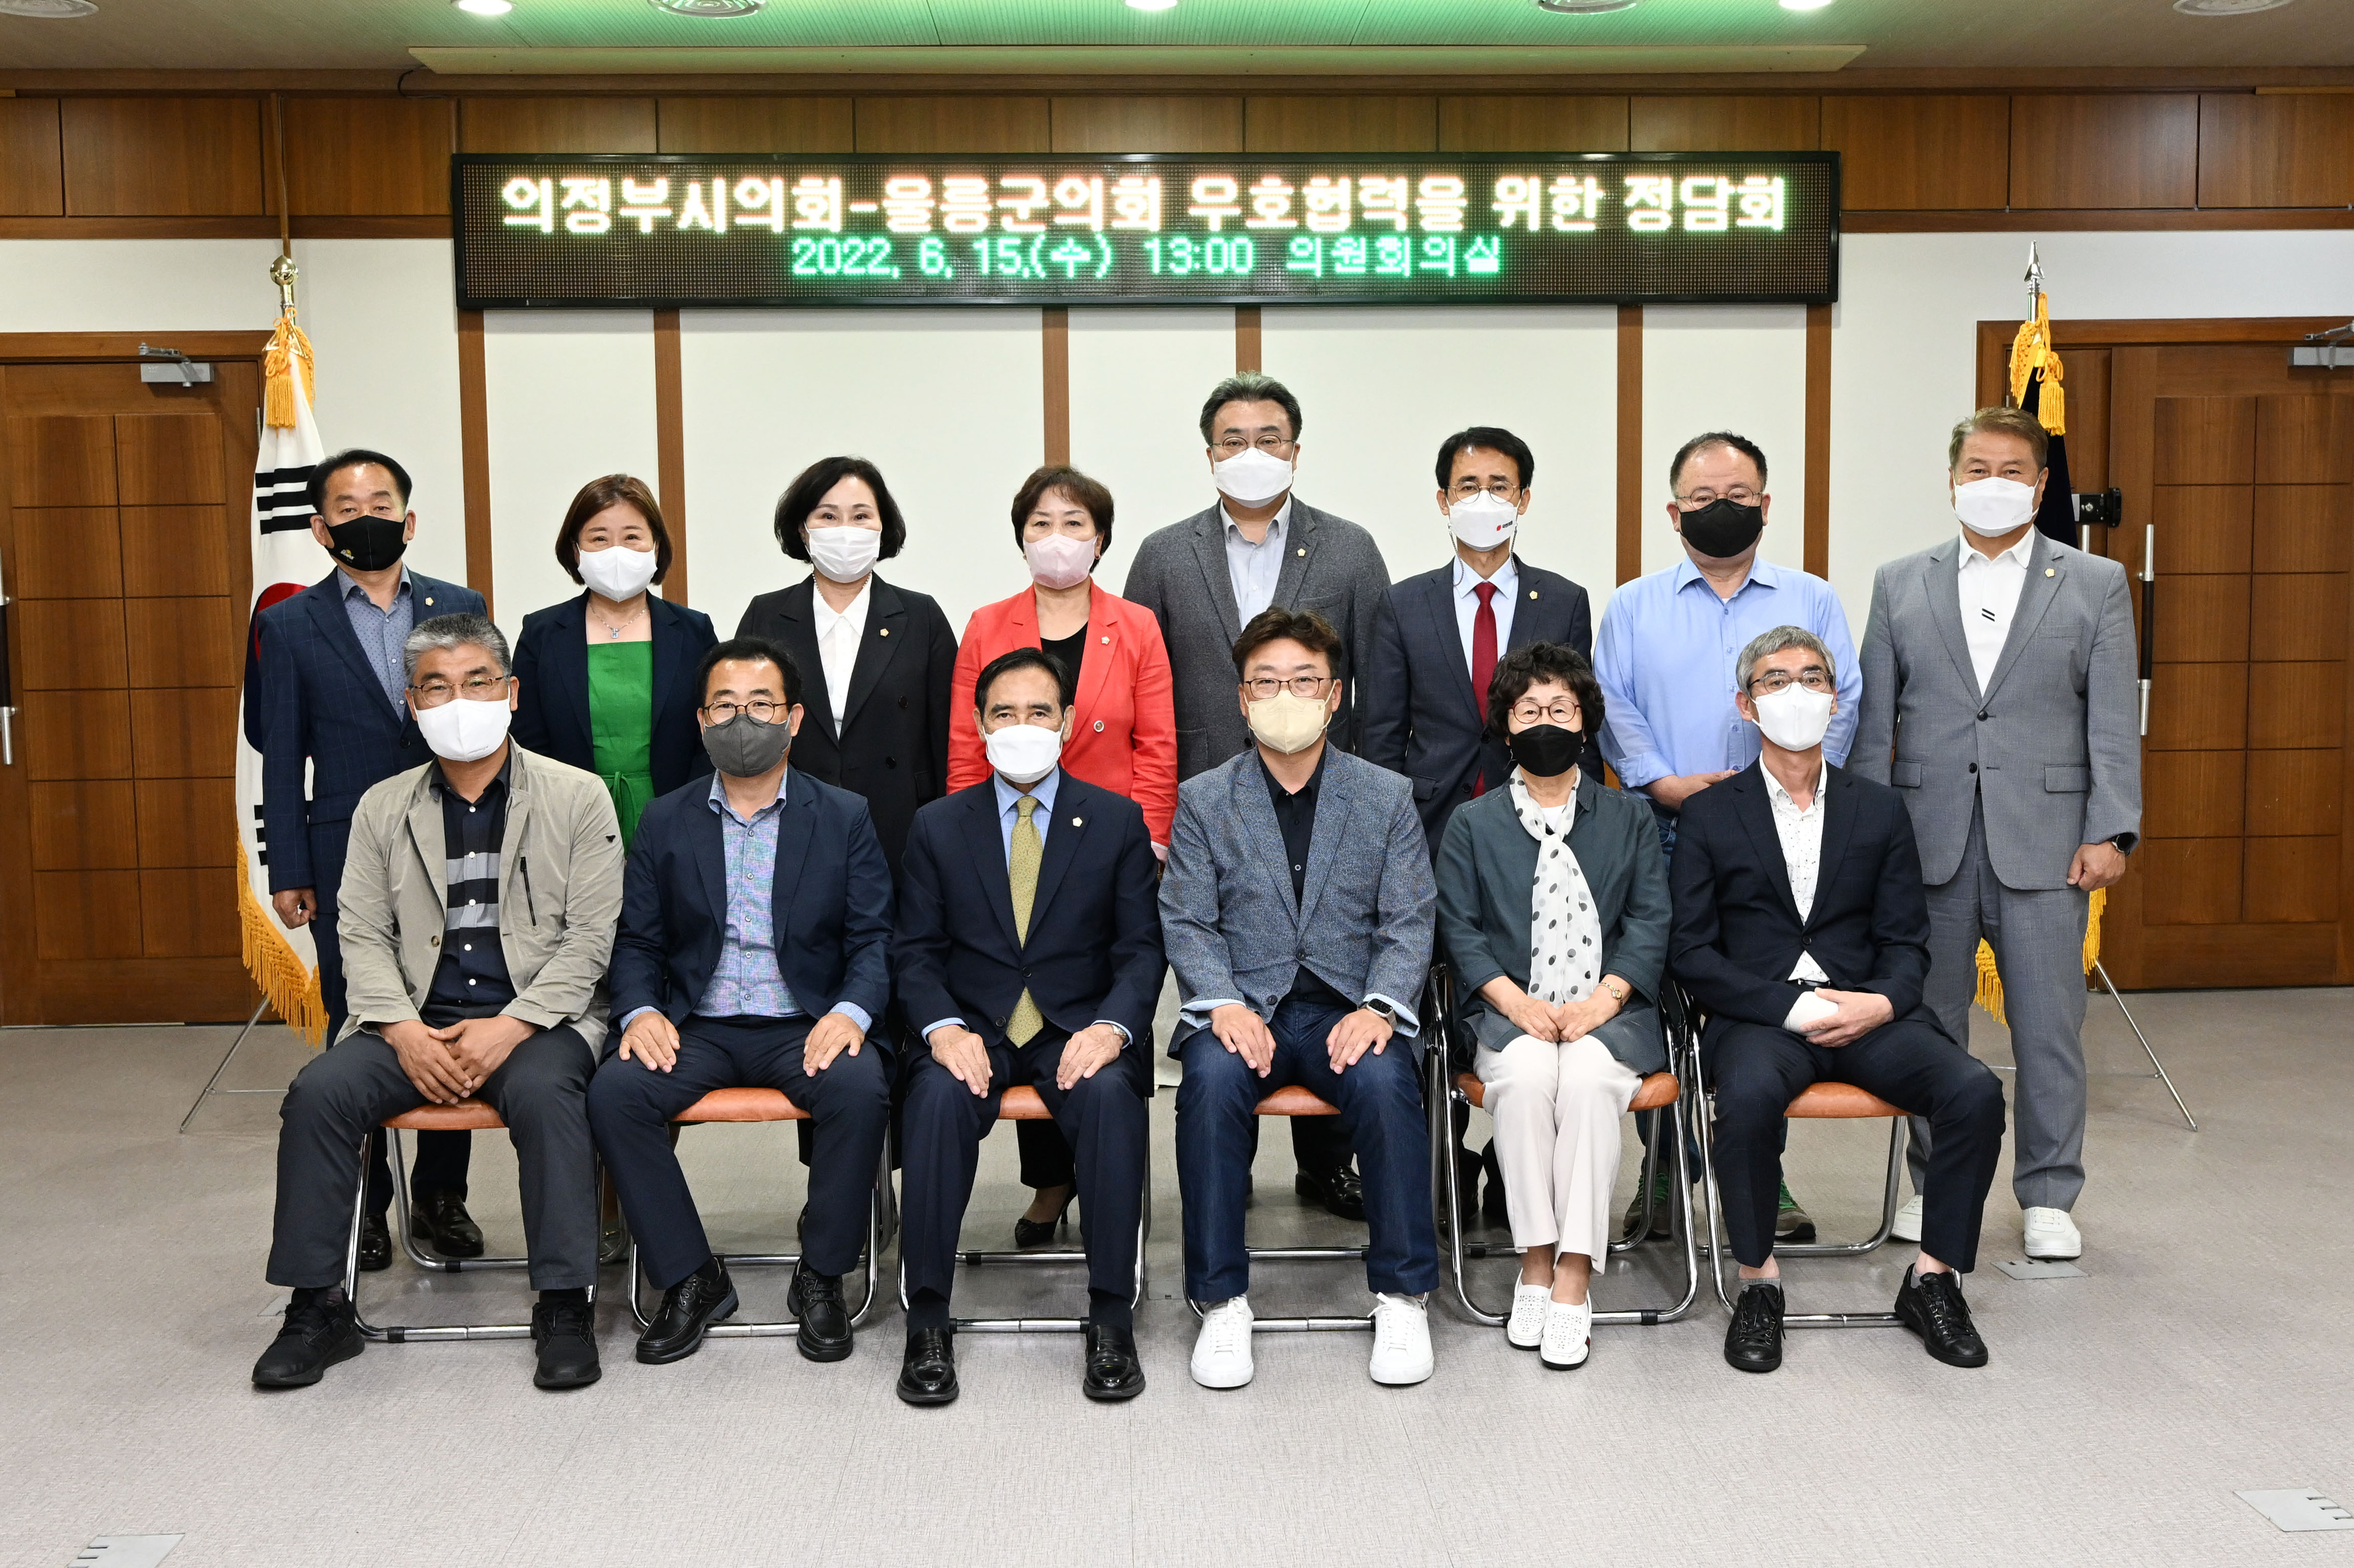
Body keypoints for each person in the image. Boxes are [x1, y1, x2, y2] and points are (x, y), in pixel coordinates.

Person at [250, 614, 622, 1392]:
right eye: (437, 687)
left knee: (550, 1095)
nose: (459, 701)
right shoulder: (382, 806)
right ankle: (318, 1305)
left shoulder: (578, 796)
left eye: (477, 682)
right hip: (411, 1018)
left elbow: (592, 939)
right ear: (412, 703)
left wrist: (513, 1026)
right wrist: (402, 1029)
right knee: (320, 1092)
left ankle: (564, 1302)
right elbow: (361, 932)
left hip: (538, 1019)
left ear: (511, 692)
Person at [1669, 626, 2007, 1375]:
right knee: (1746, 1099)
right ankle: (1759, 1282)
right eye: (1774, 679)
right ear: (1746, 704)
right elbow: (1690, 952)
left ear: (1834, 698)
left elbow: (1907, 940)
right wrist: (1787, 1008)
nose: (1795, 691)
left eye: (1812, 677)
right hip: (1761, 1017)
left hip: (1867, 1012)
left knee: (1974, 1091)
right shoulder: (1708, 814)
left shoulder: (1879, 809)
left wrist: (1879, 1004)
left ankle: (1934, 1278)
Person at [1853, 407, 2140, 1263]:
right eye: (1977, 468)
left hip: (2050, 844)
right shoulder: (1899, 581)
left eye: (2012, 470)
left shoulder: (2094, 581)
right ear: (1951, 481)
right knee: (1928, 1028)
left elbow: (2112, 721)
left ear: (2041, 485)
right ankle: (1934, 1185)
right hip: (1925, 840)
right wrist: (1868, 842)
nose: (1993, 483)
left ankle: (2049, 1193)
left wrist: (2112, 830)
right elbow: (1874, 725)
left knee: (2048, 1030)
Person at [1123, 372, 1396, 1221]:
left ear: (1296, 449)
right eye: (1234, 439)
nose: (1252, 452)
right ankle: (1226, 1163)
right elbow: (1140, 688)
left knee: (1326, 969)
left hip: (1328, 797)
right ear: (1209, 454)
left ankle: (1328, 1162)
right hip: (1208, 803)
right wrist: (1154, 815)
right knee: (1231, 980)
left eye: (1269, 437)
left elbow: (1377, 688)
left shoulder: (1349, 548)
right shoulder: (1164, 554)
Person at [587, 637, 894, 1368]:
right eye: (724, 706)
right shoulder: (665, 819)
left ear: (794, 719)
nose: (743, 720)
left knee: (860, 1087)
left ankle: (822, 1274)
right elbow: (637, 941)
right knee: (616, 1092)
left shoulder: (845, 814)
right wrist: (641, 1011)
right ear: (701, 720)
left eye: (761, 704)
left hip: (804, 1021)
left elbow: (875, 937)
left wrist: (849, 1012)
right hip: (697, 1023)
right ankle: (691, 1276)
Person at [1591, 429, 1859, 1245]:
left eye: (1738, 496)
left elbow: (1842, 698)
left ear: (1766, 506)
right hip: (1664, 829)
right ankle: (1663, 1166)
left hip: (1781, 837)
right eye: (1703, 498)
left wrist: (1784, 790)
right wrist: (1661, 781)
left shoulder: (1811, 598)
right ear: (1674, 512)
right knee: (1660, 999)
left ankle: (1763, 1172)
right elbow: (1611, 704)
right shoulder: (1633, 605)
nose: (1721, 509)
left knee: (1765, 1000)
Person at [1163, 608, 1439, 1391]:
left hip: (1344, 1009)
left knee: (1386, 1080)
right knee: (1209, 1081)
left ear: (1334, 694)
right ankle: (1221, 1300)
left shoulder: (1385, 796)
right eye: (1266, 682)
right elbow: (1186, 918)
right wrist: (1220, 1002)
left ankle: (1402, 1294)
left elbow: (1409, 918)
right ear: (1241, 699)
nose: (1285, 696)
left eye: (1304, 680)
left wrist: (1379, 1006)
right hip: (1242, 1008)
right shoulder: (1204, 799)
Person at [894, 648, 1165, 1406]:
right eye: (1004, 713)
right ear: (980, 725)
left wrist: (1111, 1028)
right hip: (970, 1027)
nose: (1022, 726)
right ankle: (928, 1318)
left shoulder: (1116, 821)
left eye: (1039, 711)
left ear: (1067, 722)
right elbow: (913, 951)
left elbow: (1141, 949)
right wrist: (942, 1029)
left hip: (1076, 1026)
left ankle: (1111, 1316)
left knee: (1109, 1097)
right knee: (935, 1100)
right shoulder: (937, 826)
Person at [256, 448, 484, 1272]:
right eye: (347, 508)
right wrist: (289, 866)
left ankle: (442, 1194)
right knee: (358, 1014)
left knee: (453, 1000)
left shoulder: (461, 606)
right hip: (343, 845)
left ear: (409, 519)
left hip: (455, 836)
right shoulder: (288, 624)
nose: (366, 518)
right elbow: (281, 752)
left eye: (381, 503)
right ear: (321, 529)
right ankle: (370, 1202)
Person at [945, 466, 1178, 1245]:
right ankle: (1050, 1183)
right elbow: (965, 745)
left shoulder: (1136, 625)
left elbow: (1157, 743)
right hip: (1009, 837)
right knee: (1022, 999)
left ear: (1100, 538)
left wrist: (1148, 840)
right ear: (1020, 537)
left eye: (1074, 523)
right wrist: (965, 843)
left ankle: (1102, 1178)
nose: (1057, 538)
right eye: (1041, 523)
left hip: (1105, 850)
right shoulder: (987, 624)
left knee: (1087, 1005)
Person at [1433, 643, 1669, 1371]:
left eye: (1560, 709)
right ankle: (1534, 1257)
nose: (1545, 722)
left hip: (1612, 1014)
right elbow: (1458, 926)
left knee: (1591, 1082)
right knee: (1528, 1079)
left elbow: (1651, 917)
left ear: (1585, 722)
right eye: (1528, 709)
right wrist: (1512, 999)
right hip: (1509, 1012)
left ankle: (1573, 1273)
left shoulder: (1628, 817)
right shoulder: (1471, 823)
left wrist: (1605, 999)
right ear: (1506, 727)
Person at [1362, 426, 1594, 856]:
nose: (1483, 500)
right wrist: (1383, 829)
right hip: (1428, 821)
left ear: (1523, 500)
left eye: (1499, 486)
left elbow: (1583, 725)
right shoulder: (1403, 604)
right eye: (1468, 487)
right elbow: (1382, 734)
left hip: (1542, 814)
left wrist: (1586, 824)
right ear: (1444, 501)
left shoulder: (1564, 601)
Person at [734, 456, 957, 878]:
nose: (845, 530)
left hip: (899, 820)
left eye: (860, 516)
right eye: (828, 516)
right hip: (787, 816)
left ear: (882, 527)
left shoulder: (921, 616)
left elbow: (947, 735)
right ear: (803, 529)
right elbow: (743, 727)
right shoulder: (766, 615)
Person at [512, 473, 718, 851]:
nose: (616, 551)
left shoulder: (693, 630)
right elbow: (528, 740)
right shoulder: (542, 633)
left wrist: (688, 812)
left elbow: (711, 733)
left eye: (632, 537)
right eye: (599, 539)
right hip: (567, 822)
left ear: (656, 546)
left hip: (679, 818)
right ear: (576, 551)